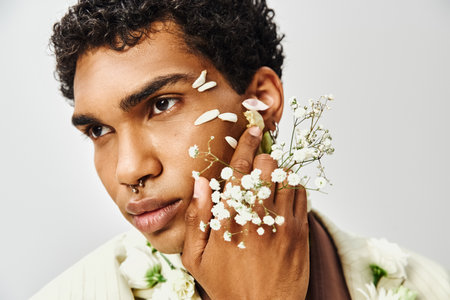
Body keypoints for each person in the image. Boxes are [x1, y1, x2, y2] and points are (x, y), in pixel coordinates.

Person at [32, 0, 450, 299]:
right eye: (99, 130)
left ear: (261, 102)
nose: (128, 170)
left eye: (162, 104)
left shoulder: (428, 287)